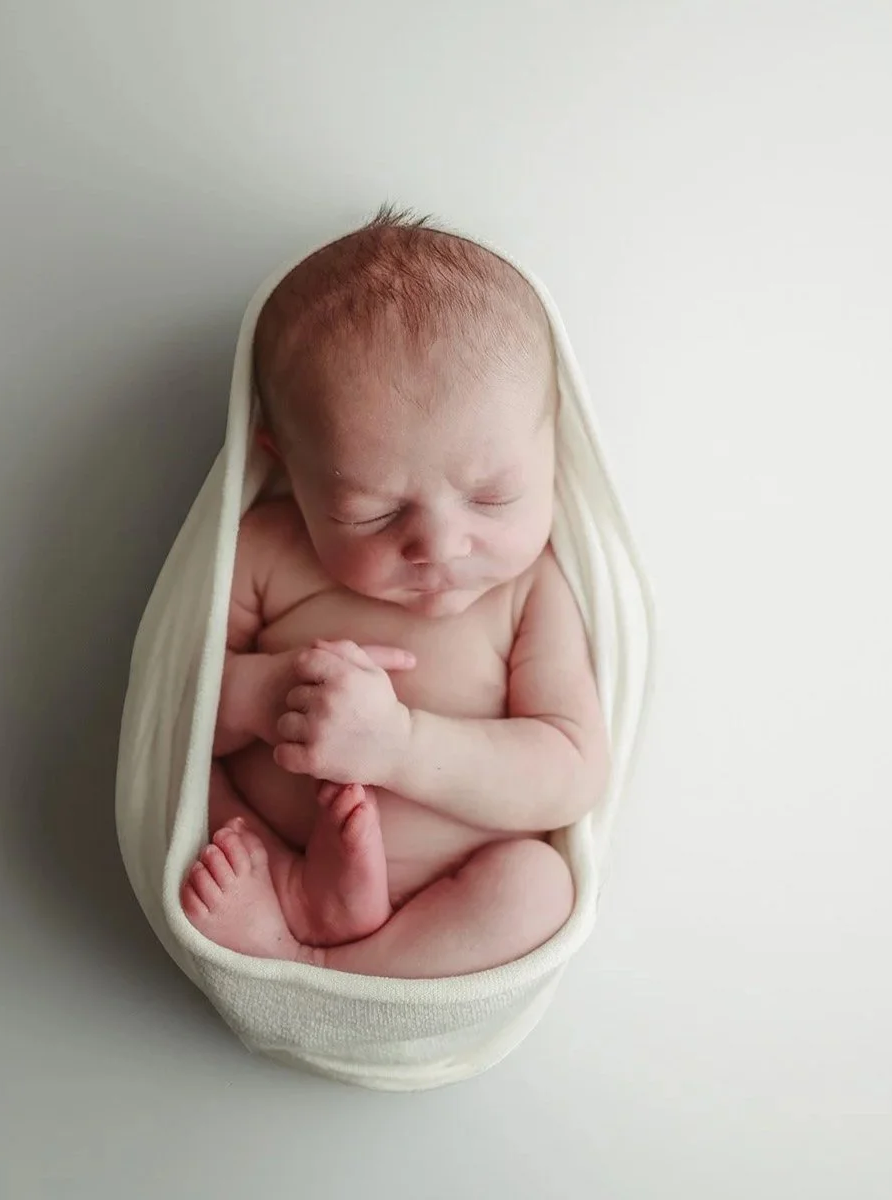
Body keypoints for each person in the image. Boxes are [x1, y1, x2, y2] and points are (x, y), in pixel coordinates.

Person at [181, 208, 608, 978]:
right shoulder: (268, 550)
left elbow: (569, 773)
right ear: (289, 466)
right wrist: (263, 692)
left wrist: (401, 746)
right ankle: (294, 899)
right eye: (372, 512)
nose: (440, 546)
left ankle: (327, 964)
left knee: (540, 888)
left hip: (451, 895)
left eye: (492, 496)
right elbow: (169, 717)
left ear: (555, 441)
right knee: (202, 809)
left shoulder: (529, 589)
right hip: (273, 856)